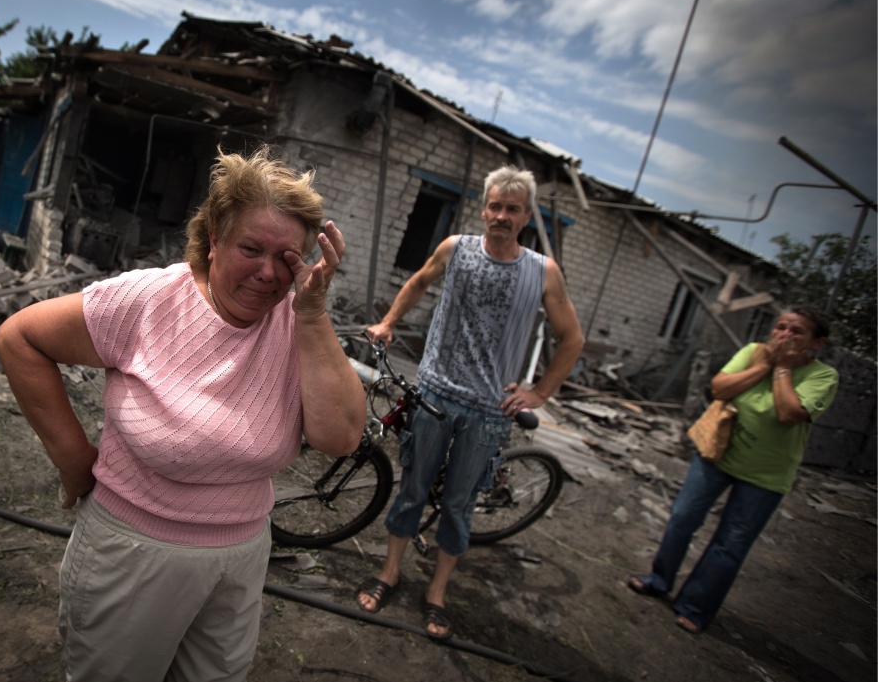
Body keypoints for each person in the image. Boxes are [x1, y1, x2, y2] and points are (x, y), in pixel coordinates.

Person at [0, 146, 365, 682]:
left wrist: (311, 314)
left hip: (242, 553)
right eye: (250, 248)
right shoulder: (148, 301)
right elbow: (19, 337)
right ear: (214, 238)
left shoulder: (299, 318)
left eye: (287, 257)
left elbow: (340, 437)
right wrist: (75, 460)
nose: (268, 272)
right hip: (132, 553)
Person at [356, 164, 584, 640]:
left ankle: (437, 593)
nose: (501, 215)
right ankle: (390, 572)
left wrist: (539, 392)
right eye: (495, 206)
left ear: (525, 217)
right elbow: (419, 281)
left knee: (459, 504)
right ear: (484, 208)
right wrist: (389, 321)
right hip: (436, 394)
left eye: (512, 209)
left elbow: (571, 339)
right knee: (413, 490)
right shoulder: (455, 248)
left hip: (486, 411)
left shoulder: (542, 271)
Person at [627, 307, 839, 634]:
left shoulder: (822, 376)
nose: (784, 335)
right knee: (683, 516)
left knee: (730, 544)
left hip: (766, 475)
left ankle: (695, 608)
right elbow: (720, 388)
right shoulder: (753, 353)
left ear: (817, 343)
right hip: (717, 455)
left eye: (796, 331)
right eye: (780, 327)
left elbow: (789, 413)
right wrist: (766, 365)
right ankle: (658, 579)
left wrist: (781, 369)